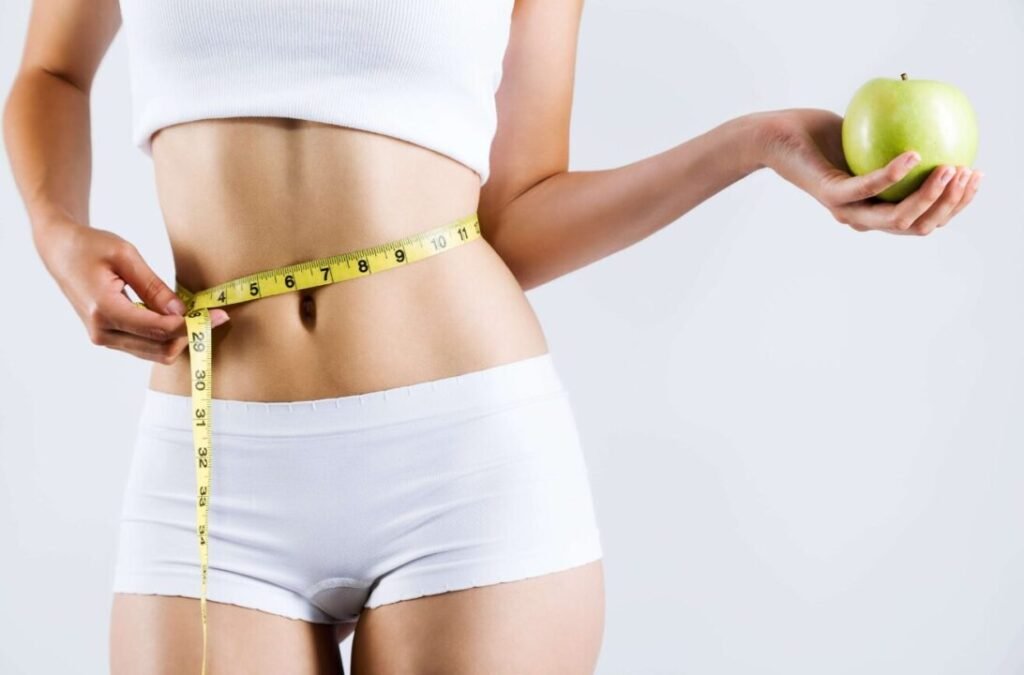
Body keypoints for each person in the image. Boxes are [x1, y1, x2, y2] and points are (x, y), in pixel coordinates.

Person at [2, 0, 982, 673]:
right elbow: (49, 69)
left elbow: (515, 218)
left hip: (458, 456)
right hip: (213, 456)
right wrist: (57, 230)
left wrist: (754, 145)